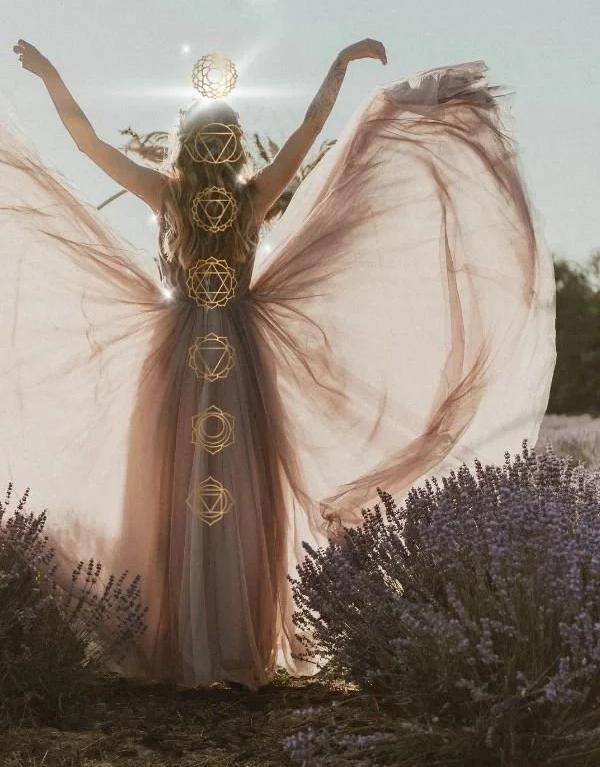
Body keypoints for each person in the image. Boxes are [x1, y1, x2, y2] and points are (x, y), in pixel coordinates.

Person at [0, 38, 555, 691]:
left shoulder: (164, 194)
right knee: (241, 489)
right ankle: (238, 645)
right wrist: (338, 66)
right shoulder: (252, 195)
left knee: (176, 487)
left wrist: (50, 75)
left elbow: (86, 140)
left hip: (179, 357)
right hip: (239, 356)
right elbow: (309, 131)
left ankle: (187, 646)